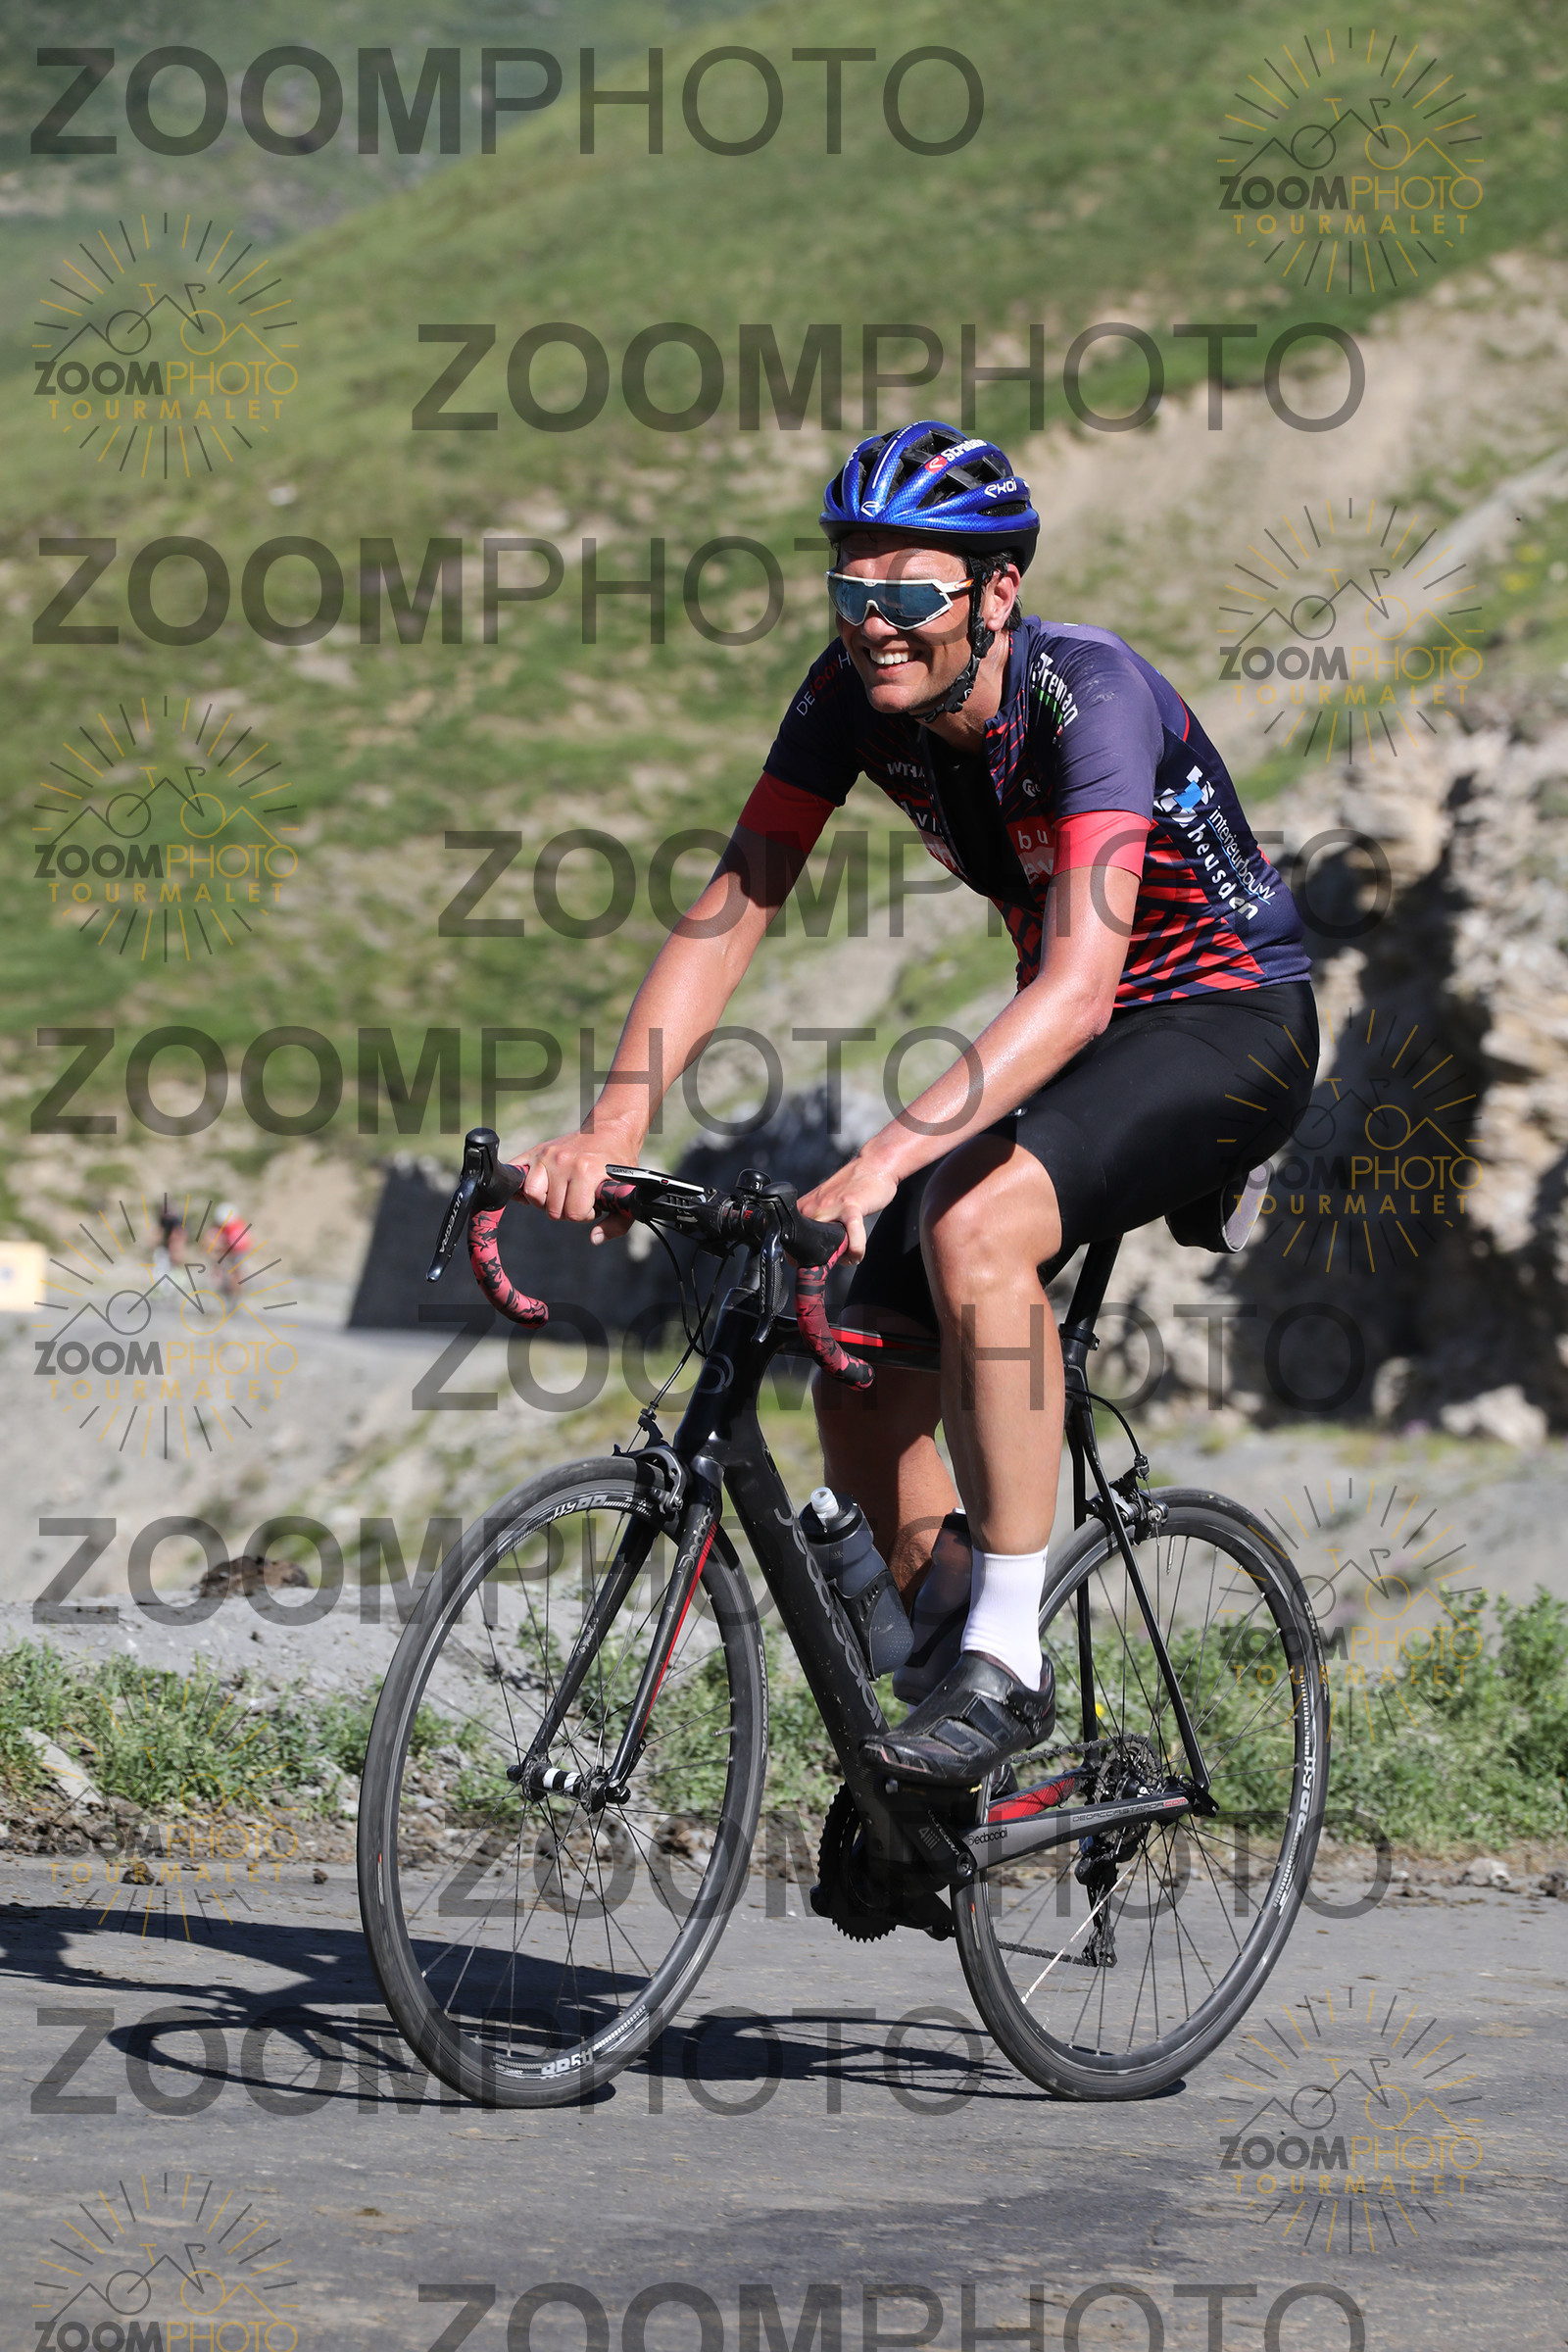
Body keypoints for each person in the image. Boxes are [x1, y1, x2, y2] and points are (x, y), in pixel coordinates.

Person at [518, 419, 1318, 1789]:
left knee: (972, 1229)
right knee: (857, 1354)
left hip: (1224, 1021)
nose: (874, 622)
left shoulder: (1089, 693)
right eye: (852, 588)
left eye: (912, 592)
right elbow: (736, 904)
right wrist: (614, 1125)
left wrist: (886, 1157)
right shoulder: (847, 693)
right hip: (1075, 1036)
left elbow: (1080, 986)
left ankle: (1006, 1659)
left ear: (997, 590)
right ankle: (941, 1765)